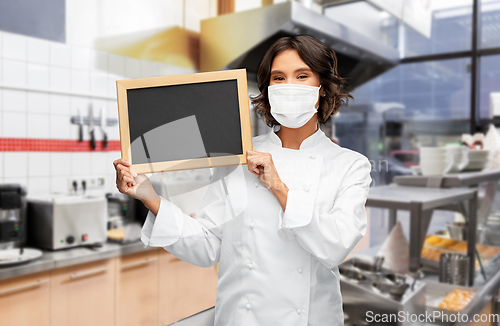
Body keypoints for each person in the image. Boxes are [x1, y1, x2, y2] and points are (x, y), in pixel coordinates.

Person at [113, 35, 372, 326]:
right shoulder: (237, 157)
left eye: (302, 76)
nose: (289, 86)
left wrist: (277, 185)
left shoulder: (349, 165)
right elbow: (208, 247)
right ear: (268, 90)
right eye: (278, 78)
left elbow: (334, 247)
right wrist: (151, 198)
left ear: (322, 89)